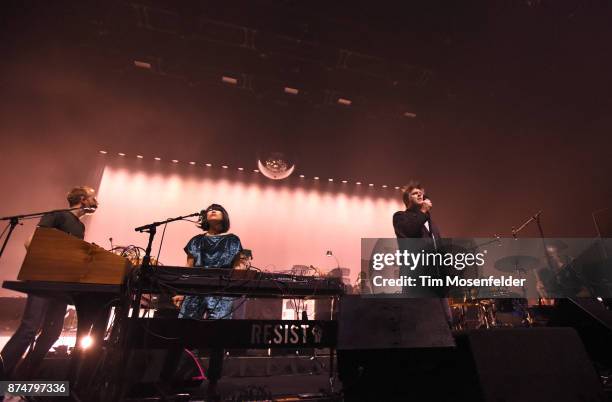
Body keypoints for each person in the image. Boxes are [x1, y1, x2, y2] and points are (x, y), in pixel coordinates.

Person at [0, 186, 98, 380]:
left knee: (53, 332)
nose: (96, 201)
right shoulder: (57, 216)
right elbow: (32, 242)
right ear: (82, 199)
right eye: (93, 198)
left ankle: (20, 378)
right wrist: (49, 266)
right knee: (30, 328)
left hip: (61, 285)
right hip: (43, 280)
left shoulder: (80, 227)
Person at [169, 203, 243, 398]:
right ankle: (172, 378)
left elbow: (237, 268)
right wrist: (181, 292)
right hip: (194, 289)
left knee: (218, 337)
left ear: (224, 216)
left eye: (217, 209)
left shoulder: (232, 240)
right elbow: (188, 268)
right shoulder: (196, 240)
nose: (212, 211)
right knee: (181, 333)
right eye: (210, 209)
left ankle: (213, 381)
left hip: (221, 291)